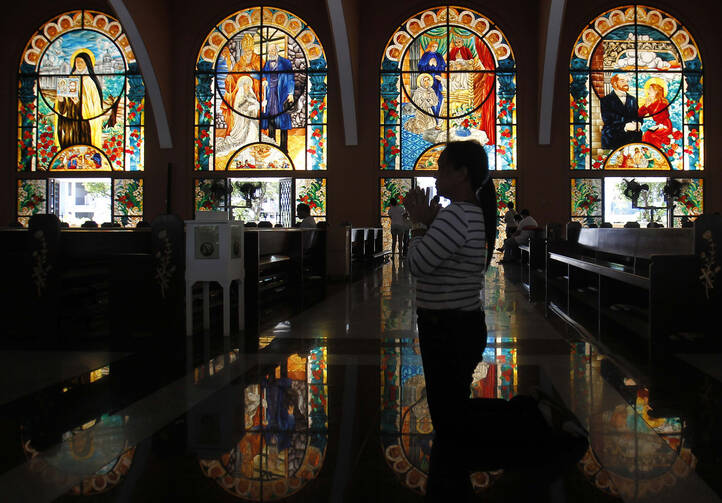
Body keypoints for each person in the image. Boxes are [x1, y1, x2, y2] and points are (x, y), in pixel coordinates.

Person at [403, 140, 497, 498]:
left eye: (442, 168)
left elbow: (417, 264)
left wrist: (417, 225)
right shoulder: (465, 212)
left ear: (462, 173)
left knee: (448, 417)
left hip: (448, 328)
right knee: (451, 409)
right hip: (458, 324)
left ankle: (450, 487)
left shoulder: (457, 214)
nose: (436, 175)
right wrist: (429, 222)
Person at [55, 50, 105, 150]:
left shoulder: (90, 82)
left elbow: (93, 106)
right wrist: (61, 100)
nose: (78, 65)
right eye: (76, 62)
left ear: (87, 64)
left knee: (83, 145)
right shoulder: (69, 79)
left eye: (81, 62)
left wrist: (78, 102)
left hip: (83, 122)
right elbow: (62, 109)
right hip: (69, 121)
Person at [219, 33, 261, 141]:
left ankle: (254, 134)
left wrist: (252, 73)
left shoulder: (258, 60)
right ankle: (238, 131)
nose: (247, 53)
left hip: (255, 90)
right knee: (234, 103)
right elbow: (234, 76)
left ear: (252, 49)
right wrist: (230, 79)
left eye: (249, 51)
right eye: (245, 51)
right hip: (242, 90)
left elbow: (264, 76)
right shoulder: (240, 62)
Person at [261, 44, 295, 153]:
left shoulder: (286, 63)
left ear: (277, 50)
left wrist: (290, 93)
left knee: (283, 120)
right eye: (269, 50)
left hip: (282, 94)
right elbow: (263, 75)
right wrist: (264, 80)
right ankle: (272, 146)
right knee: (271, 119)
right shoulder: (267, 63)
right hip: (270, 94)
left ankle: (284, 148)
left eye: (272, 50)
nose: (271, 52)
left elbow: (290, 78)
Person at [216, 76, 261, 154]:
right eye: (246, 84)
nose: (248, 86)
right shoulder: (240, 94)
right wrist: (250, 107)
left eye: (248, 84)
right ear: (242, 85)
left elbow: (255, 105)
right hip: (242, 119)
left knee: (254, 130)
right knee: (245, 134)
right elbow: (239, 107)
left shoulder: (251, 94)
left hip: (251, 117)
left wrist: (257, 106)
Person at [600, 74, 642, 150]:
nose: (626, 83)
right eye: (622, 81)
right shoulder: (606, 100)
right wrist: (625, 127)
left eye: (627, 81)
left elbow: (638, 116)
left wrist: (638, 123)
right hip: (613, 138)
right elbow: (607, 120)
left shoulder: (633, 99)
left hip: (632, 139)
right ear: (615, 83)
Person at [417, 41, 446, 124]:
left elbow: (443, 67)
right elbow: (420, 68)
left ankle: (438, 115)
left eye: (436, 46)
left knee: (439, 97)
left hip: (437, 80)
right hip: (428, 80)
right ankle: (434, 118)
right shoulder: (425, 55)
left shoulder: (439, 55)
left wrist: (437, 65)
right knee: (430, 98)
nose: (434, 48)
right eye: (433, 46)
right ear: (429, 46)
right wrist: (428, 64)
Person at [638, 82, 672, 150]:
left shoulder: (662, 102)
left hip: (665, 125)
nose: (648, 91)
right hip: (659, 124)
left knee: (649, 135)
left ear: (656, 91)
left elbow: (660, 116)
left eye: (650, 89)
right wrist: (645, 106)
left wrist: (648, 106)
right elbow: (640, 114)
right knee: (647, 135)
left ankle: (657, 153)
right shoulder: (650, 102)